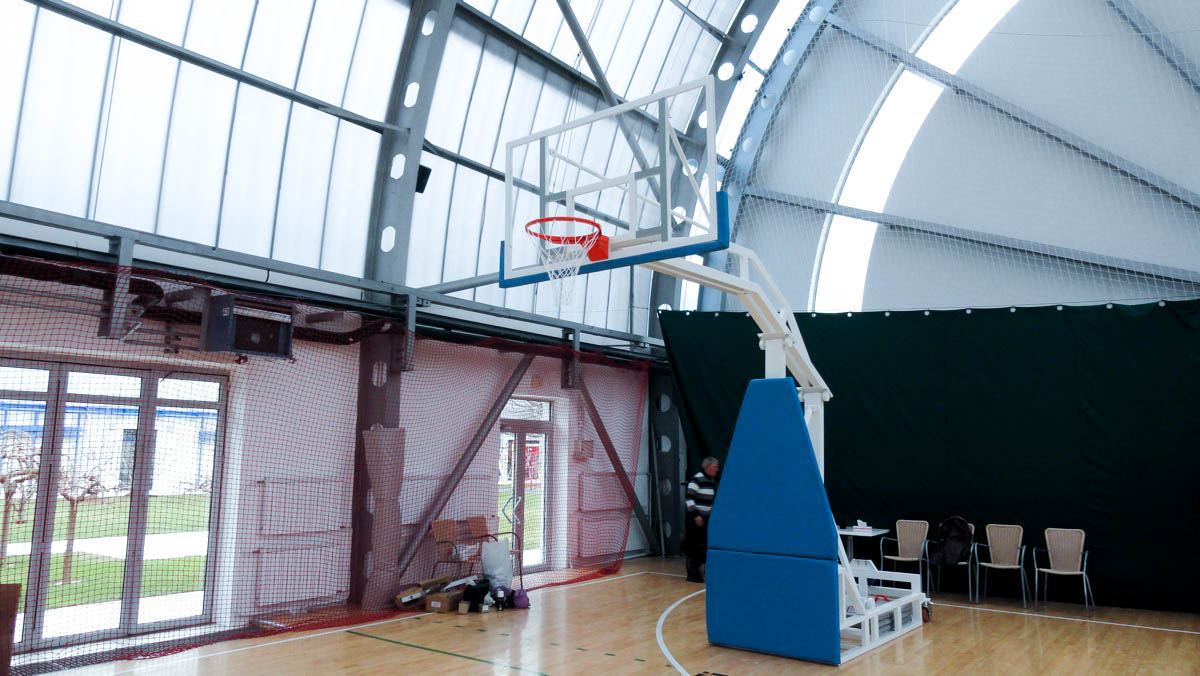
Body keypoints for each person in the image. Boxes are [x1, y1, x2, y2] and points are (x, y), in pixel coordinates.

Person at [684, 456, 720, 583]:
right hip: (695, 519)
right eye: (715, 467)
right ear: (708, 467)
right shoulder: (697, 479)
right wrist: (696, 515)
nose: (717, 469)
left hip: (705, 519)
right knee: (694, 546)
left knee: (703, 546)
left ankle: (701, 573)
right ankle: (692, 574)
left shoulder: (711, 481)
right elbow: (689, 498)